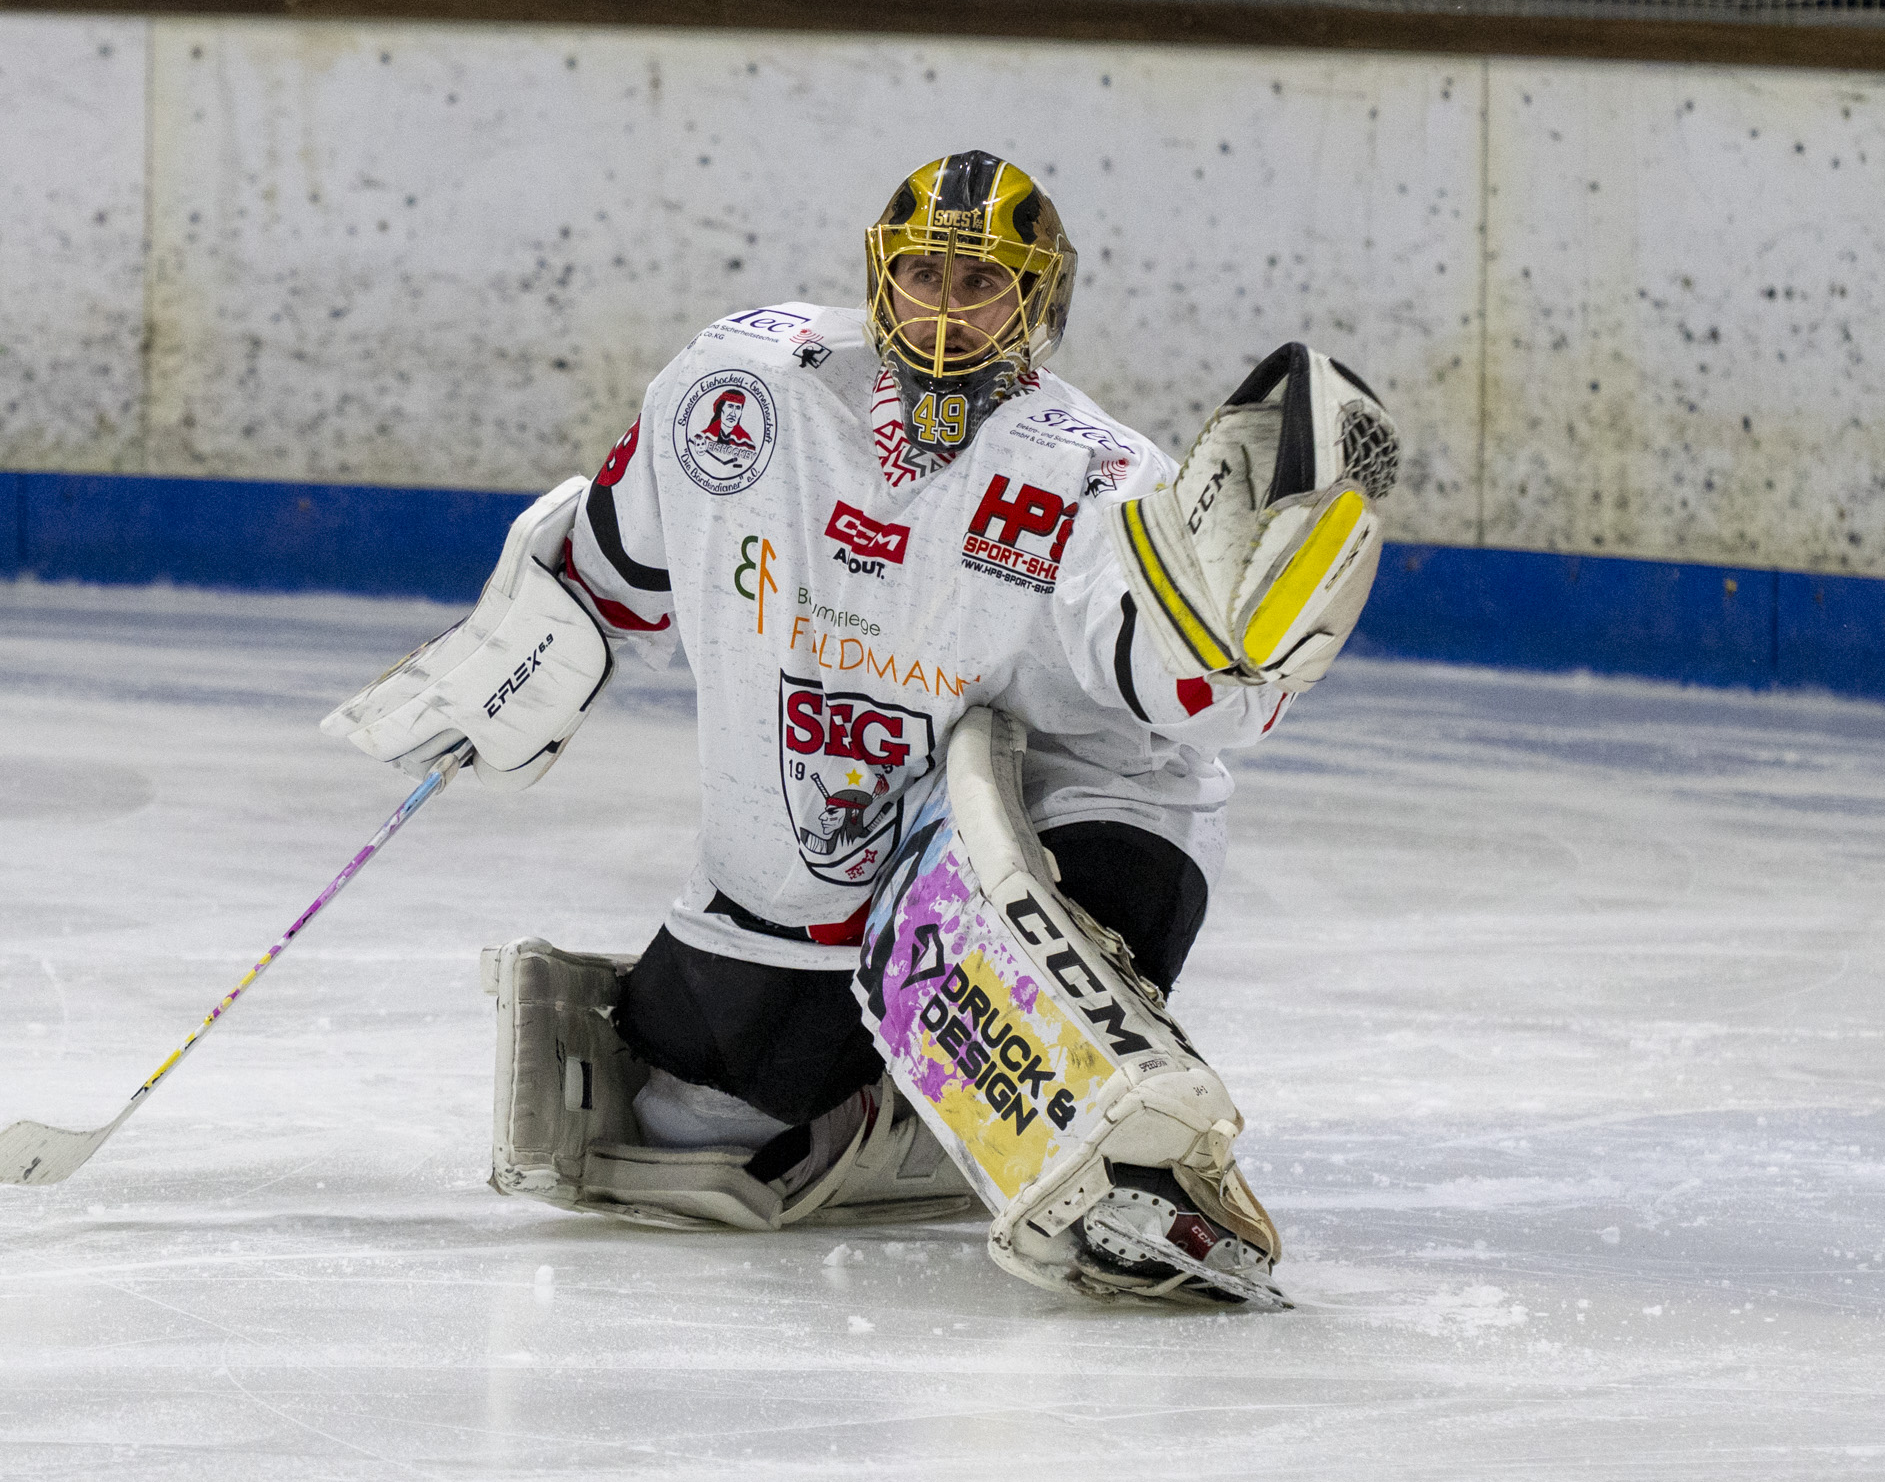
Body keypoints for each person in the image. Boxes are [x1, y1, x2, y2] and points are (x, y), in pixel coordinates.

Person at [323, 150, 1397, 1304]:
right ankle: (906, 1110)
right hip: (817, 841)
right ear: (882, 277)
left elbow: (1184, 689)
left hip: (1065, 820)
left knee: (1003, 929)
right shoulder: (741, 385)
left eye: (981, 281)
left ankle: (1117, 1142)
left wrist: (1240, 640)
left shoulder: (1096, 478)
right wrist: (516, 662)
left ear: (1039, 301)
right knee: (693, 1120)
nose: (947, 305)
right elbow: (618, 555)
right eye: (925, 272)